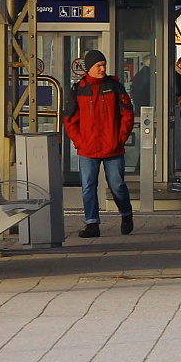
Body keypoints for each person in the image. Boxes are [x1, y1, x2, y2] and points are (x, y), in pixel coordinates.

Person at [64, 50, 135, 238]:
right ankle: (92, 223)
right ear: (90, 68)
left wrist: (120, 138)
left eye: (104, 65)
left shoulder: (114, 86)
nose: (103, 68)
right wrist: (79, 141)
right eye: (98, 65)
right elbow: (69, 119)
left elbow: (128, 113)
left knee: (117, 185)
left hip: (113, 147)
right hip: (88, 148)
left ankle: (126, 214)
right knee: (88, 185)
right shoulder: (78, 89)